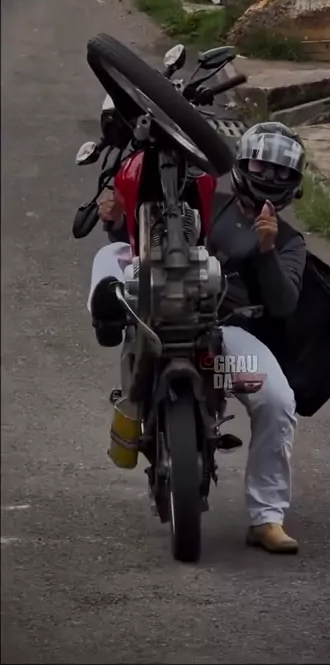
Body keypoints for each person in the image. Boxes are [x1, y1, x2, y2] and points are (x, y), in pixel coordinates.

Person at [87, 122, 307, 554]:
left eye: (282, 171)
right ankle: (110, 313)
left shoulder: (288, 241)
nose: (270, 176)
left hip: (223, 342)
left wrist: (266, 252)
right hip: (161, 315)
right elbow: (148, 240)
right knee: (114, 256)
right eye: (261, 165)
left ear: (294, 183)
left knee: (277, 401)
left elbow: (283, 304)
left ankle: (267, 519)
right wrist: (116, 222)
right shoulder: (206, 203)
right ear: (241, 164)